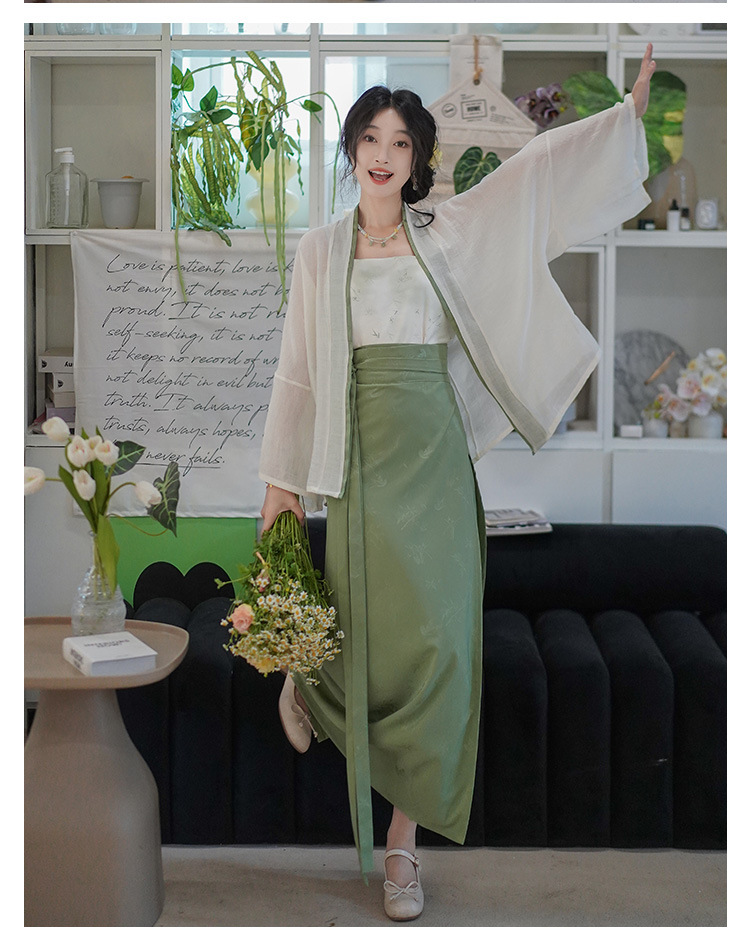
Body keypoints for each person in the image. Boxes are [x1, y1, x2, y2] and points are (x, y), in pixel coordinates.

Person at [259, 45, 657, 921]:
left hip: (434, 461)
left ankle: (403, 847)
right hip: (358, 462)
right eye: (371, 137)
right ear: (352, 151)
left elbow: (534, 176)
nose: (384, 153)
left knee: (442, 647)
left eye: (401, 142)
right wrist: (280, 486)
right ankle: (311, 686)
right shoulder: (320, 252)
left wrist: (623, 120)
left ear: (418, 161)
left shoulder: (447, 231)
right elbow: (297, 370)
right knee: (362, 628)